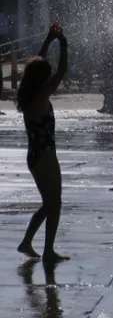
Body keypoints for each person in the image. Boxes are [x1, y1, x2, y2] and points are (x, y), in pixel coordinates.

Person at [16, 24, 69, 263]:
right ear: (41, 79)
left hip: (37, 155)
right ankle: (47, 250)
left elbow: (38, 66)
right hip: (45, 157)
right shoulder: (40, 97)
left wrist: (48, 42)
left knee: (50, 203)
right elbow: (61, 72)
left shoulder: (29, 94)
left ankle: (27, 242)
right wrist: (64, 45)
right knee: (54, 203)